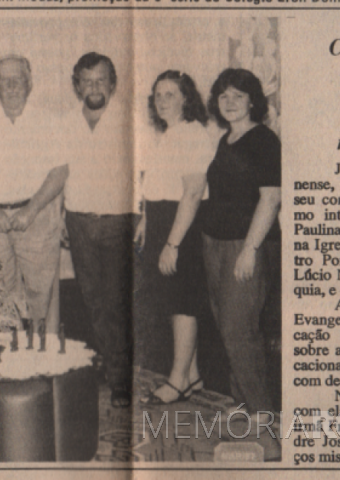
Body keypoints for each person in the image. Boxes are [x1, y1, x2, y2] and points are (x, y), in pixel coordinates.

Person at [201, 68, 281, 456]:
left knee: (239, 331)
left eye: (238, 95)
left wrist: (250, 249)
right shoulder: (225, 138)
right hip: (214, 242)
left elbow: (270, 198)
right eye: (223, 96)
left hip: (243, 246)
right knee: (227, 327)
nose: (229, 102)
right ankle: (244, 405)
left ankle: (264, 416)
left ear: (253, 100)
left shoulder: (264, 139)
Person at [0, 55, 66, 337]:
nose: (11, 85)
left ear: (28, 83)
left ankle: (45, 359)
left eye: (17, 78)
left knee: (41, 293)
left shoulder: (47, 121)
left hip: (37, 217)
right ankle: (7, 361)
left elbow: (59, 172)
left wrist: (31, 210)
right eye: (4, 80)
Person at [135, 71, 214, 405]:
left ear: (186, 98)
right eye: (158, 95)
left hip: (181, 224)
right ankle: (192, 375)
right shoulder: (169, 134)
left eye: (170, 94)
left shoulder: (194, 134)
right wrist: (145, 223)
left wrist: (173, 243)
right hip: (161, 220)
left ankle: (178, 378)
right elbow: (156, 186)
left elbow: (193, 192)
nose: (162, 101)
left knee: (182, 302)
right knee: (173, 298)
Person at [60, 52, 135, 408]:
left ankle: (121, 378)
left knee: (116, 300)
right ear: (77, 85)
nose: (94, 86)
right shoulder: (65, 123)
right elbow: (59, 173)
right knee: (92, 299)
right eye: (87, 80)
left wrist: (142, 216)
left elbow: (145, 172)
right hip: (77, 220)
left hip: (118, 221)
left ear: (112, 83)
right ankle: (108, 360)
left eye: (101, 79)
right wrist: (62, 215)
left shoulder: (130, 121)